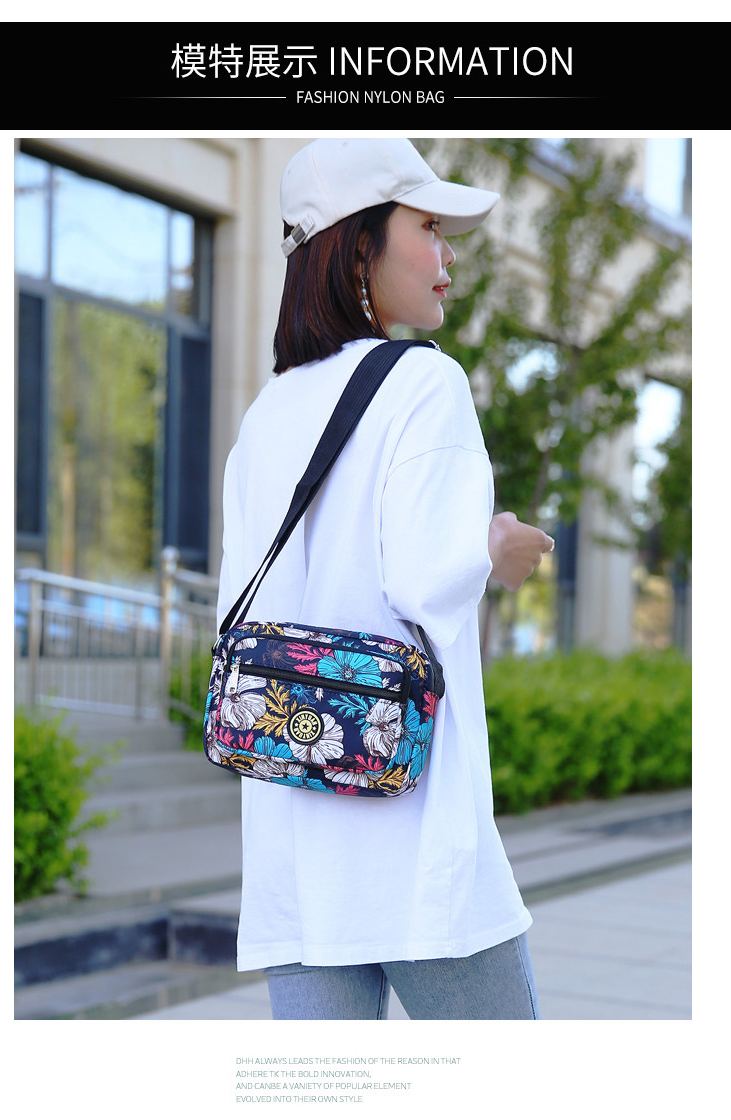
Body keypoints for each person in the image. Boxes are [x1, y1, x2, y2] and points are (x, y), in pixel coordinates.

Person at [216, 138, 554, 1020]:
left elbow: (237, 614)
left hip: (293, 850)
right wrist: (496, 548)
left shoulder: (265, 416)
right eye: (429, 227)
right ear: (360, 241)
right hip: (414, 850)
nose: (448, 257)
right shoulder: (424, 384)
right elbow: (426, 580)